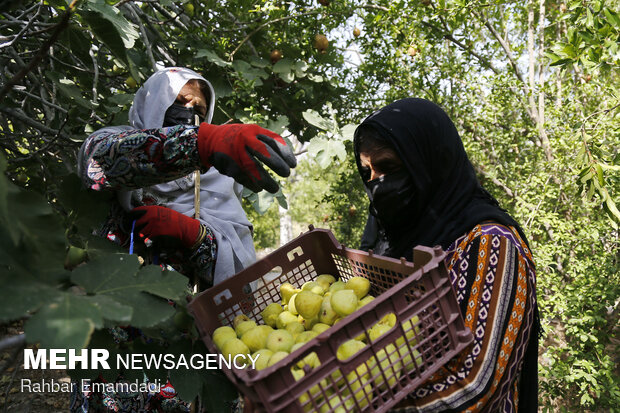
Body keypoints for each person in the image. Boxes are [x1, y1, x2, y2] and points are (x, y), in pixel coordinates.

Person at [71, 67, 296, 412]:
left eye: (202, 110)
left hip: (187, 354)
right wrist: (201, 142)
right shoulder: (113, 144)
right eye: (179, 100)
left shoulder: (218, 183)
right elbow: (101, 165)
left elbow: (235, 276)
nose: (191, 112)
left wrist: (195, 236)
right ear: (154, 101)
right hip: (117, 343)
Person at [353, 98, 539, 412]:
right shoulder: (389, 239)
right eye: (367, 172)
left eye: (388, 167)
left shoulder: (489, 242)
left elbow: (474, 384)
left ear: (427, 163)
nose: (377, 183)